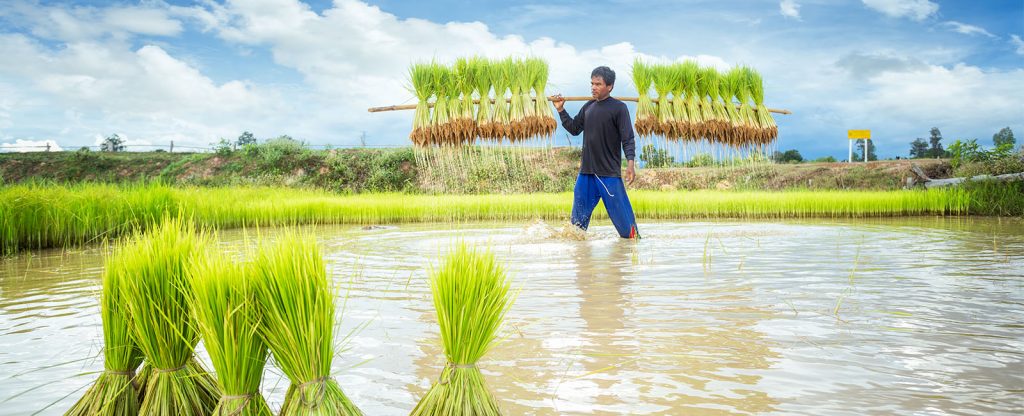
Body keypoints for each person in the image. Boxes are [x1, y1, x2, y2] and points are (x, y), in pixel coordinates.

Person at [551, 66, 640, 239]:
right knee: (576, 229)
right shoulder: (588, 107)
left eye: (598, 84)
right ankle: (581, 259)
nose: (593, 87)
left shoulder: (619, 108)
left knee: (628, 233)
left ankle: (632, 256)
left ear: (610, 86)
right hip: (586, 174)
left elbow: (628, 138)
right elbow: (574, 128)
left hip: (609, 175)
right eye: (592, 83)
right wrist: (560, 110)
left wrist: (630, 164)